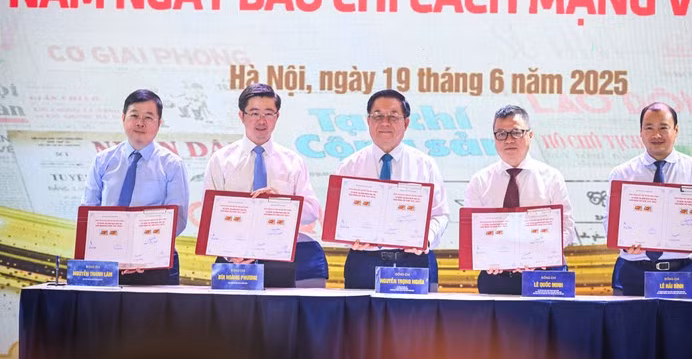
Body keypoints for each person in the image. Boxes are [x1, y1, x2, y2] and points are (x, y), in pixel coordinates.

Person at [203, 83, 327, 288]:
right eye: (254, 113)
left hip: (281, 258)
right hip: (234, 259)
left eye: (269, 113)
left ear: (277, 118)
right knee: (232, 319)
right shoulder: (220, 160)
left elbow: (312, 212)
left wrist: (282, 203)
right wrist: (230, 253)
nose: (262, 120)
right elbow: (210, 218)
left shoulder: (292, 161)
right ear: (241, 116)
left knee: (280, 318)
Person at [606, 102, 692, 296]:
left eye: (663, 128)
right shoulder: (622, 173)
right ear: (641, 132)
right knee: (632, 327)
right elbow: (609, 221)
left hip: (683, 272)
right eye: (649, 128)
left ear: (676, 130)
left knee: (682, 327)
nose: (656, 135)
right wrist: (623, 243)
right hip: (634, 272)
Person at [335, 89, 450, 291]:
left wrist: (426, 239)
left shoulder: (425, 165)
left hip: (414, 261)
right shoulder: (349, 166)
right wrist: (348, 237)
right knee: (360, 322)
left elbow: (440, 215)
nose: (385, 123)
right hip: (363, 262)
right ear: (368, 121)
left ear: (406, 123)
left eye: (393, 116)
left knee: (416, 322)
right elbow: (337, 217)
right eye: (378, 116)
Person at [82, 89, 189, 285]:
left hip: (155, 263)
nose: (140, 123)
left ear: (159, 123)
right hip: (107, 260)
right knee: (105, 316)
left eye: (148, 117)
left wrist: (141, 254)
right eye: (134, 116)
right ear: (123, 118)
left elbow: (178, 220)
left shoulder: (172, 164)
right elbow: (89, 213)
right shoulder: (103, 161)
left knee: (155, 317)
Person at [464, 105, 575, 294]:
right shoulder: (480, 181)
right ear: (494, 138)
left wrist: (538, 255)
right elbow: (472, 236)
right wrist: (486, 256)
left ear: (530, 135)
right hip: (495, 278)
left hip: (543, 277)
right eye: (501, 134)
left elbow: (567, 229)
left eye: (516, 132)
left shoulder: (552, 178)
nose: (508, 140)